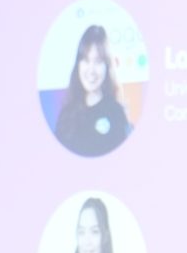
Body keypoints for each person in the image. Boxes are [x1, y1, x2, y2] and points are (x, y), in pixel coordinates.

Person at [52, 24, 134, 158]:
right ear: (78, 64)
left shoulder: (116, 113)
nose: (91, 70)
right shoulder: (66, 114)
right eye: (85, 60)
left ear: (107, 67)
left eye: (98, 62)